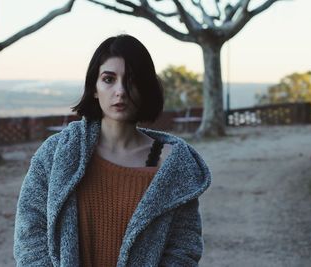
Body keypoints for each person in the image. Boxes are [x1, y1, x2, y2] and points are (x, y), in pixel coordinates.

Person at [13, 34, 211, 267]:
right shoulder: (56, 154)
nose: (120, 91)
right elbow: (30, 235)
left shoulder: (173, 165)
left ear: (145, 88)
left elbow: (183, 249)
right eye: (108, 79)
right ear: (94, 88)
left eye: (132, 80)